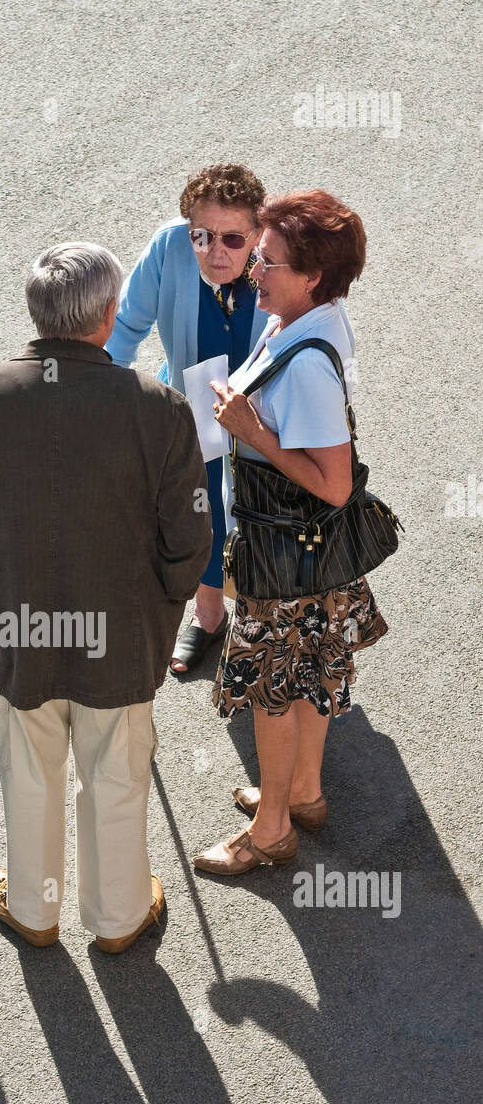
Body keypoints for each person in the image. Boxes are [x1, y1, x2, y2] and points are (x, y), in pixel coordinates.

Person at [0, 243, 212, 952]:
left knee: (27, 769)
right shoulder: (159, 408)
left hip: (14, 626)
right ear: (110, 313)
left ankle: (32, 907)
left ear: (36, 311)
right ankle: (118, 919)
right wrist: (163, 612)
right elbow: (189, 534)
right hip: (119, 634)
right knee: (115, 772)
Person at [191, 190, 387, 875]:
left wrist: (254, 433)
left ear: (314, 277)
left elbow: (333, 483)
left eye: (269, 262)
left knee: (270, 692)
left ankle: (270, 829)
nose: (254, 272)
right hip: (311, 558)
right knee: (305, 673)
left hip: (283, 557)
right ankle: (300, 792)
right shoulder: (309, 318)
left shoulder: (305, 364)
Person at [105, 162, 269, 673]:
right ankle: (209, 614)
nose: (215, 251)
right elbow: (126, 327)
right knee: (202, 512)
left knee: (261, 514)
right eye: (202, 235)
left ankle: (263, 624)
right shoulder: (168, 247)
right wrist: (97, 399)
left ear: (258, 235)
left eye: (233, 238)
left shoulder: (281, 259)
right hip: (190, 404)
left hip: (262, 414)